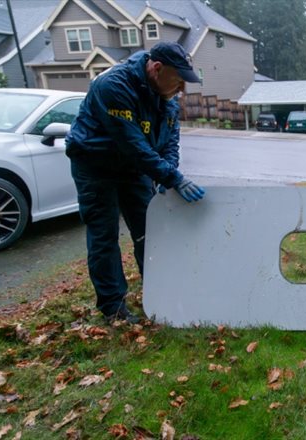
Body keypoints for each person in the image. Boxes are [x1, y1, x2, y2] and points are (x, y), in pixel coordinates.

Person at [66, 42, 206, 324]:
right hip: (96, 165)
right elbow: (132, 144)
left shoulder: (166, 97)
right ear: (156, 69)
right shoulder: (113, 85)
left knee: (150, 231)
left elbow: (170, 142)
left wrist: (169, 172)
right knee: (104, 235)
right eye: (178, 81)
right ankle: (113, 307)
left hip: (134, 168)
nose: (182, 90)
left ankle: (159, 292)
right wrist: (172, 177)